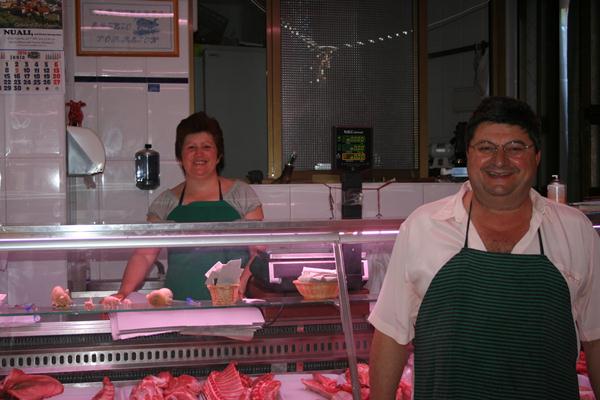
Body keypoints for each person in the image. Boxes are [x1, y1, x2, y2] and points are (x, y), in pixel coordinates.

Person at [368, 96, 600, 399]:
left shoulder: (575, 230)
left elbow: (596, 337)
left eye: (515, 148)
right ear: (469, 155)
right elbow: (391, 334)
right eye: (486, 148)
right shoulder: (423, 227)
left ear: (537, 156)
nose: (499, 161)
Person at [108, 112, 264, 302]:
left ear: (218, 156)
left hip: (232, 303)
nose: (199, 154)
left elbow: (258, 252)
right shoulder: (165, 203)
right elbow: (144, 255)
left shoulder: (242, 195)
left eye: (206, 147)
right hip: (178, 304)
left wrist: (242, 283)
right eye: (191, 147)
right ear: (180, 157)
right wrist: (123, 293)